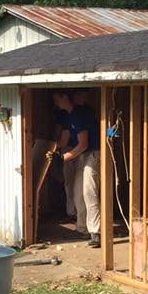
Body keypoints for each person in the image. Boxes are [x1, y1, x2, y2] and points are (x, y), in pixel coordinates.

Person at [50, 89, 101, 248]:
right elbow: (64, 140)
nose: (56, 104)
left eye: (57, 100)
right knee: (78, 191)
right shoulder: (69, 115)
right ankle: (82, 228)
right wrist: (52, 150)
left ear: (66, 97)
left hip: (93, 153)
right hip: (83, 155)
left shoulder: (80, 114)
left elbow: (83, 144)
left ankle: (96, 233)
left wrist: (62, 157)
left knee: (88, 191)